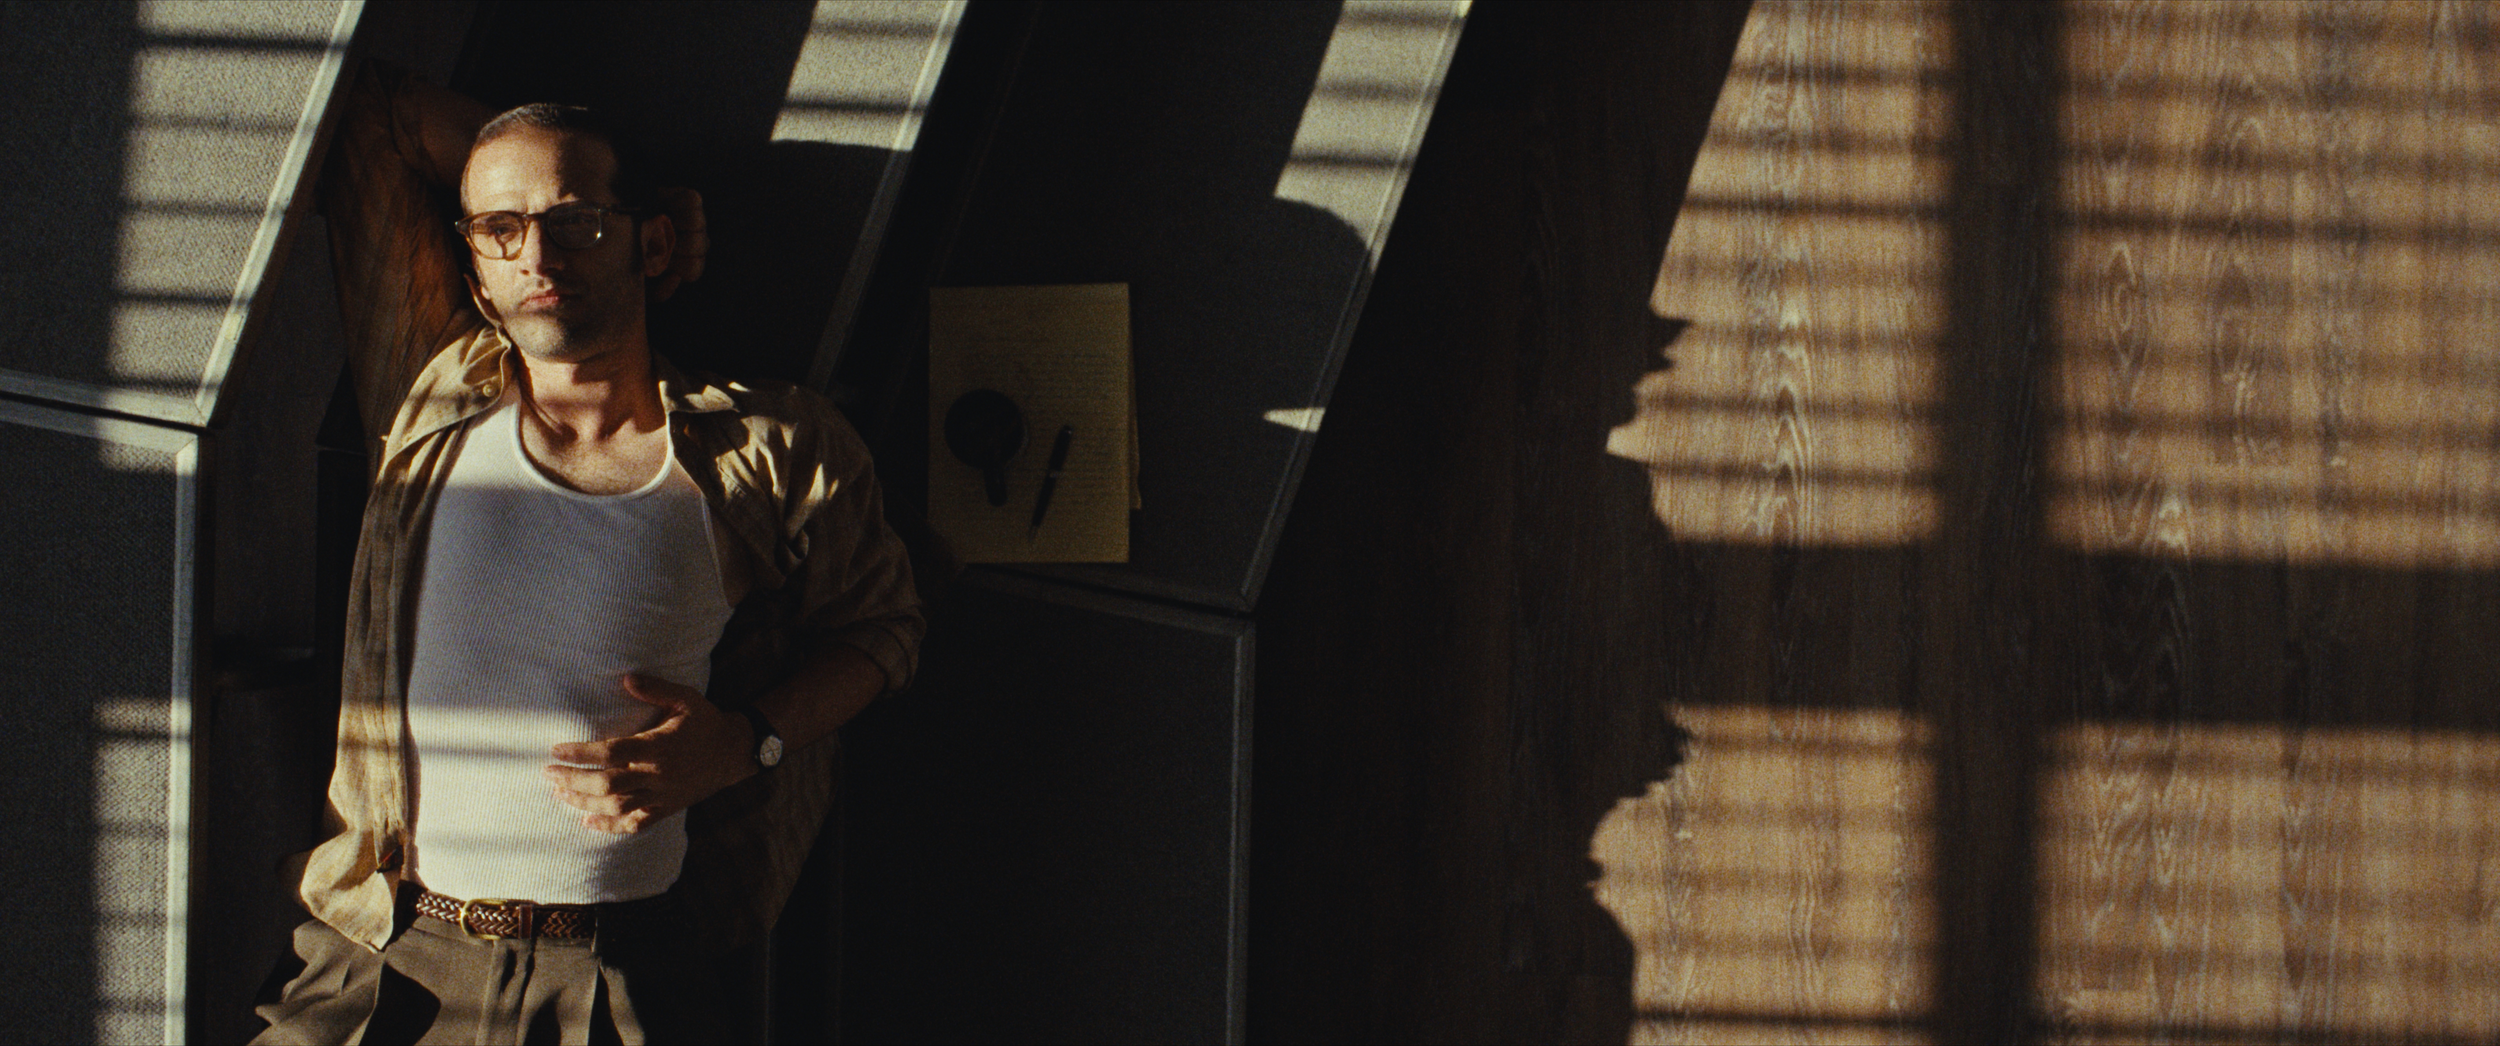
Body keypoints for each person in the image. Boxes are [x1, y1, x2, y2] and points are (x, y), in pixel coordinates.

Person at [251, 61, 922, 1044]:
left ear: (653, 244)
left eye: (574, 222)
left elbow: (884, 628)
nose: (537, 254)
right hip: (387, 951)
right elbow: (379, 120)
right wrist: (547, 174)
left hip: (616, 970)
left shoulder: (767, 445)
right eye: (501, 229)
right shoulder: (429, 390)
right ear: (475, 270)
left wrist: (746, 741)